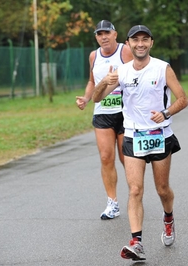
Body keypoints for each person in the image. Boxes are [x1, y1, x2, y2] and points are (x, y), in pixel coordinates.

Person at [92, 25, 188, 261]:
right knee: (135, 189)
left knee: (162, 190)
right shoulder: (122, 72)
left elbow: (183, 99)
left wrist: (165, 113)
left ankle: (168, 218)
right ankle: (137, 242)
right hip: (133, 135)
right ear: (129, 43)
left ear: (151, 43)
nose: (140, 44)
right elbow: (96, 98)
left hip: (159, 135)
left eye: (145, 40)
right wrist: (104, 81)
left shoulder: (162, 68)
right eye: (136, 40)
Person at [75, 20, 133, 220]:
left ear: (115, 34)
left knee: (127, 158)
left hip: (126, 113)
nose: (103, 37)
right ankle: (112, 203)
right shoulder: (93, 56)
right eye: (99, 34)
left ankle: (135, 195)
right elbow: (92, 81)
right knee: (106, 157)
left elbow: (137, 73)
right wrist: (86, 98)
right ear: (96, 37)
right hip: (102, 112)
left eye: (107, 33)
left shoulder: (125, 52)